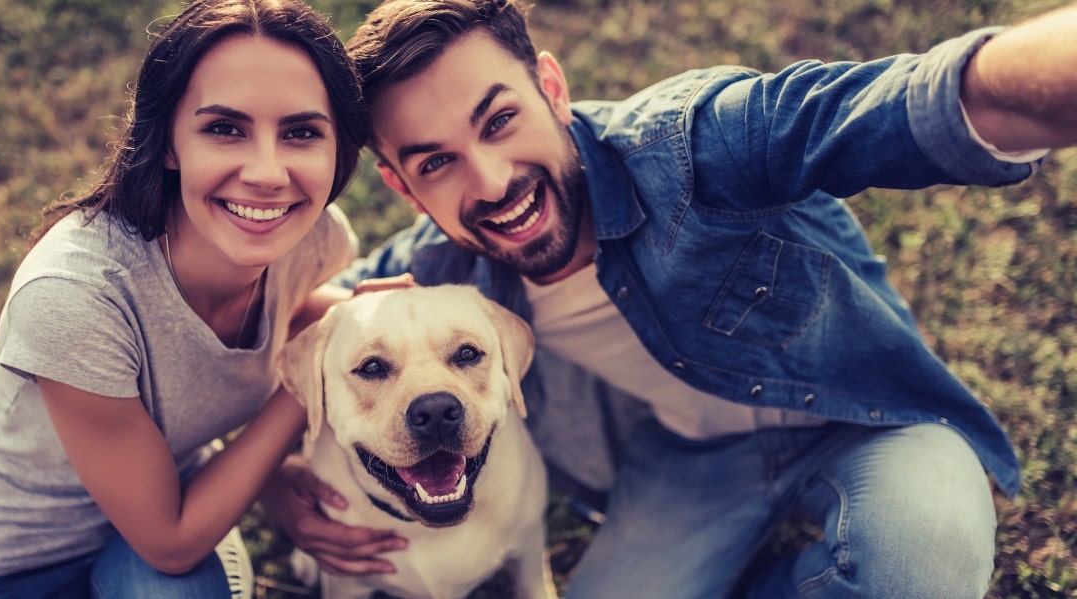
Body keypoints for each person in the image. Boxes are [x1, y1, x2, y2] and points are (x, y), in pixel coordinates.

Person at [265, 0, 1077, 597]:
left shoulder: (694, 145)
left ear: (551, 87)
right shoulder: (440, 272)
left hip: (866, 417)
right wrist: (278, 477)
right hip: (689, 461)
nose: (490, 179)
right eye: (435, 162)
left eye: (500, 119)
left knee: (919, 567)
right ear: (402, 184)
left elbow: (907, 105)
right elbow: (279, 326)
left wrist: (1031, 77)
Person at [0, 0, 369, 597]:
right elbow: (173, 538)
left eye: (301, 132)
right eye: (224, 128)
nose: (268, 173)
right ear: (167, 143)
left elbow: (296, 314)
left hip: (169, 507)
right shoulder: (75, 296)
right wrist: (312, 374)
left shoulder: (311, 237)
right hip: (8, 569)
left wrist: (369, 318)